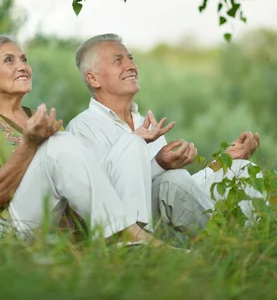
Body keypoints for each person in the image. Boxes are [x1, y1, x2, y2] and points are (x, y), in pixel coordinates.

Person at [0, 35, 163, 245]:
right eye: (9, 60)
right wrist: (30, 144)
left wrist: (135, 147)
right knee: (59, 142)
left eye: (24, 59)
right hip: (0, 231)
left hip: (48, 225)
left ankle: (129, 243)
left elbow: (87, 185)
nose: (22, 66)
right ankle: (131, 236)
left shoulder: (41, 121)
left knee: (128, 142)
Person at [67, 34, 264, 235]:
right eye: (118, 60)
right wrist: (159, 164)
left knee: (241, 169)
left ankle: (251, 241)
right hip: (128, 228)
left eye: (131, 58)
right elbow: (105, 194)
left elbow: (177, 191)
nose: (131, 66)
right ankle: (229, 242)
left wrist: (222, 162)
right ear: (93, 78)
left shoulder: (146, 123)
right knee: (173, 178)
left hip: (166, 217)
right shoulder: (83, 127)